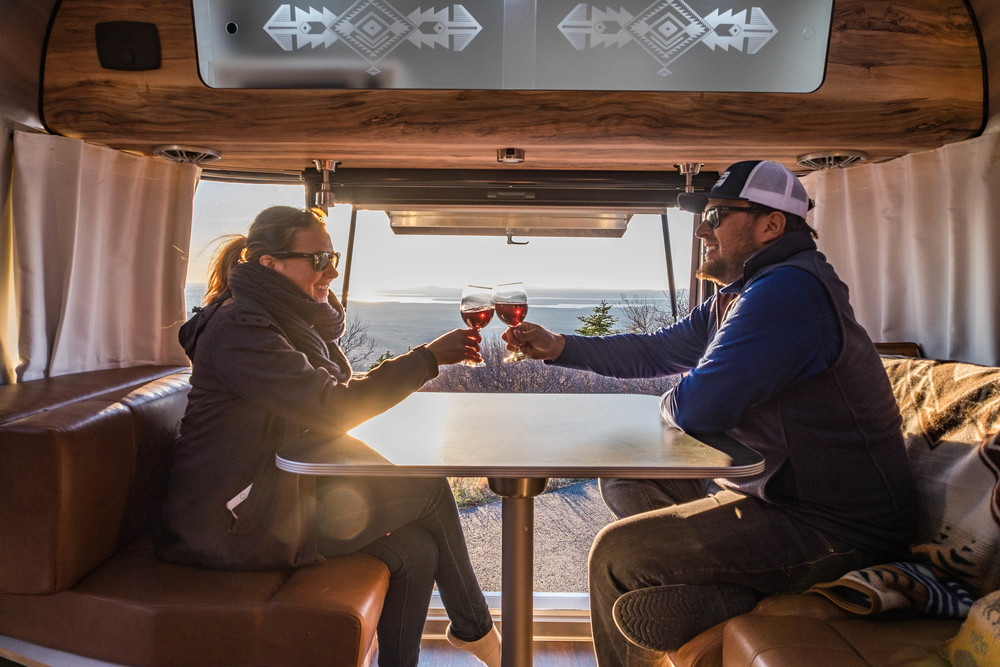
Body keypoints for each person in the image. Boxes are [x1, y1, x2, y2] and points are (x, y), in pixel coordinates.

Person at [502, 161, 917, 665]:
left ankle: (725, 590)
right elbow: (658, 349)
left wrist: (677, 396)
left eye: (717, 214)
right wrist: (560, 345)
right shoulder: (744, 291)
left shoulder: (789, 292)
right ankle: (726, 587)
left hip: (834, 526)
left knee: (618, 554)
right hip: (771, 491)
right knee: (623, 480)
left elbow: (697, 408)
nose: (702, 228)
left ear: (771, 225)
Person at [155, 206, 500, 667]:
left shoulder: (285, 318)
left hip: (273, 498)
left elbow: (328, 402)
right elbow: (331, 406)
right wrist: (427, 359)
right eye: (317, 259)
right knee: (428, 487)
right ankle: (479, 633)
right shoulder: (241, 329)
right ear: (268, 264)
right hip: (231, 524)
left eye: (331, 256)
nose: (331, 270)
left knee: (416, 550)